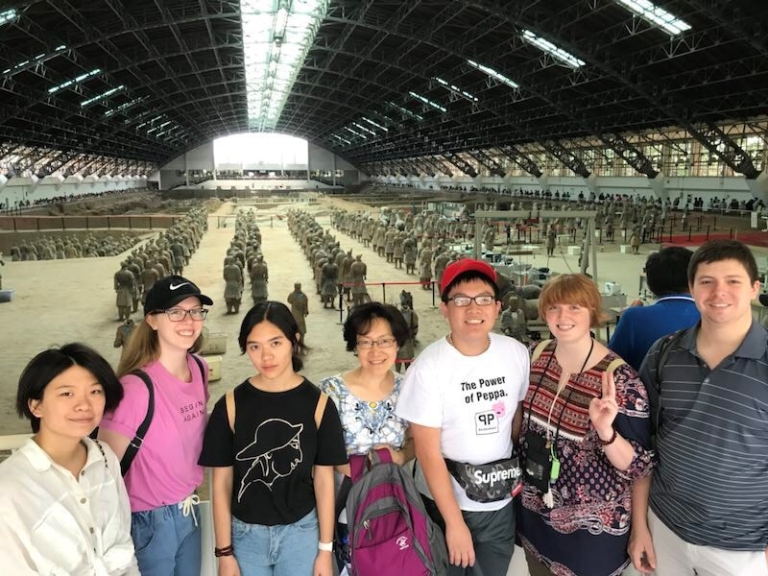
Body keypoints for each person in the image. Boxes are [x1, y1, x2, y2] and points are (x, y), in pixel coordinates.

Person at [630, 240, 768, 576]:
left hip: (744, 546)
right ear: (692, 288)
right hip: (666, 527)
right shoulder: (664, 353)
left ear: (754, 288)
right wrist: (640, 527)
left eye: (733, 281)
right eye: (706, 281)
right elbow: (642, 447)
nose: (719, 292)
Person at [395, 258, 530, 575]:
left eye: (483, 299)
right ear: (444, 308)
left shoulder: (515, 353)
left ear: (497, 307)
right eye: (461, 301)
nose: (474, 310)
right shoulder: (429, 367)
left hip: (499, 503)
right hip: (447, 506)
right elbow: (427, 452)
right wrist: (454, 523)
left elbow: (515, 421)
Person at [518, 274, 654, 576]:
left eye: (575, 308)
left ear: (593, 313)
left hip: (591, 539)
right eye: (553, 308)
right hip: (537, 523)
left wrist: (606, 432)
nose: (563, 317)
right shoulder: (534, 357)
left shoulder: (621, 381)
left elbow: (640, 467)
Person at [199, 301, 347, 576]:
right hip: (245, 538)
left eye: (276, 343)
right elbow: (221, 484)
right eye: (255, 346)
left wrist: (325, 551)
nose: (266, 355)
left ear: (294, 340)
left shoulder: (319, 406)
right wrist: (224, 553)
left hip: (301, 535)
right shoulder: (230, 406)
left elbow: (324, 481)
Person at [98, 275, 212, 576]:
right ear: (152, 320)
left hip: (190, 508)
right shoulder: (134, 388)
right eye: (175, 312)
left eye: (196, 311)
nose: (188, 320)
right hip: (147, 520)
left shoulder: (199, 368)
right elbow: (105, 470)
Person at [0, 343, 139, 575]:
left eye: (95, 391)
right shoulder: (10, 487)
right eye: (67, 393)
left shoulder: (105, 458)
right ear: (36, 406)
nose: (84, 405)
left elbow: (123, 547)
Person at [319, 301, 416, 571]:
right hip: (346, 509)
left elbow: (416, 441)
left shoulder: (409, 388)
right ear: (355, 346)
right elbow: (317, 454)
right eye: (365, 342)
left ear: (398, 343)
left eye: (384, 340)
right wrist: (345, 465)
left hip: (397, 506)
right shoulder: (330, 391)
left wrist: (400, 456)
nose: (375, 351)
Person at [608, 247, 700, 370]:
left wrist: (626, 319)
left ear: (650, 284)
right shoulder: (714, 317)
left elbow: (611, 365)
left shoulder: (635, 318)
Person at [287, 282, 309, 347]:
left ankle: (294, 343)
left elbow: (289, 300)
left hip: (294, 315)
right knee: (301, 330)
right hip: (301, 316)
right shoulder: (303, 296)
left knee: (294, 330)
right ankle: (301, 342)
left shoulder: (292, 295)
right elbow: (306, 304)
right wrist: (306, 311)